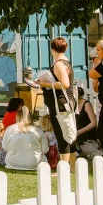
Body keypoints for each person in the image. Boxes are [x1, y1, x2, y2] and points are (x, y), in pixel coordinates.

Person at [40, 37, 77, 170]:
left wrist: (44, 84)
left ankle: (65, 168)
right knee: (69, 132)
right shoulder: (66, 61)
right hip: (65, 102)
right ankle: (72, 166)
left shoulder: (59, 63)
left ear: (52, 49)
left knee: (63, 134)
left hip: (60, 103)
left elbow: (65, 84)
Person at [2, 106, 47, 171]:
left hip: (13, 163)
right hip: (34, 162)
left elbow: (5, 147)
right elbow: (45, 150)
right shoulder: (37, 130)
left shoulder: (9, 129)